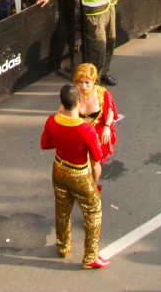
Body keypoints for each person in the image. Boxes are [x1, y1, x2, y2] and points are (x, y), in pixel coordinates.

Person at [40, 82, 109, 269]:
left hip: (58, 169)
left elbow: (45, 144)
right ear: (79, 101)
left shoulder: (52, 121)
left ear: (62, 103)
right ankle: (90, 256)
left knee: (62, 209)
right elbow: (97, 158)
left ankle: (63, 246)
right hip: (79, 174)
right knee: (93, 211)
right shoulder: (86, 129)